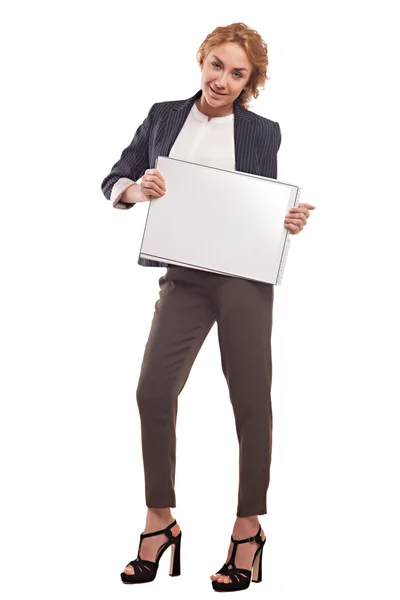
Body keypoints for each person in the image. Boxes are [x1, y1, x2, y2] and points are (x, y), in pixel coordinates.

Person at [100, 21, 315, 592]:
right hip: (184, 277)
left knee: (249, 400)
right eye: (216, 65)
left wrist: (287, 220)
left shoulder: (262, 132)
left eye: (238, 73)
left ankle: (247, 530)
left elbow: (260, 208)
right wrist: (136, 189)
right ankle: (159, 520)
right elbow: (113, 178)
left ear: (252, 81)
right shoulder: (165, 115)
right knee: (152, 390)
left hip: (243, 278)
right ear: (202, 61)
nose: (223, 80)